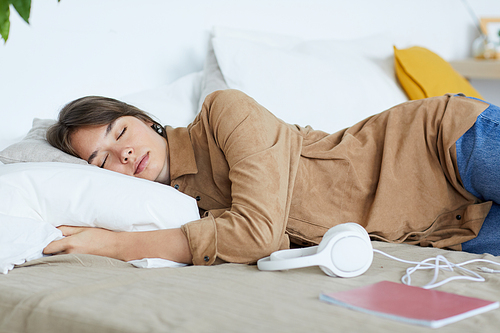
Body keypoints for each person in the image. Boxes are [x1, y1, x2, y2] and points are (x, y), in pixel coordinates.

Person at [43, 89, 498, 265]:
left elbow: (258, 233)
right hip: (444, 228)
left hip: (441, 147)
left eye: (120, 131)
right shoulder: (178, 209)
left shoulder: (223, 112)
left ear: (145, 120)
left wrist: (110, 243)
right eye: (102, 162)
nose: (122, 153)